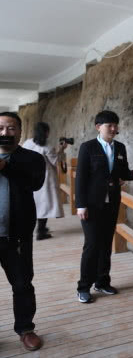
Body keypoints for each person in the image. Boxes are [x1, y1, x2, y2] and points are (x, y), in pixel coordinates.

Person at [75, 110, 133, 303]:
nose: (114, 129)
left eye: (115, 125)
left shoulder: (120, 147)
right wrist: (81, 205)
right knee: (92, 245)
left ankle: (102, 281)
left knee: (106, 244)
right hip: (91, 205)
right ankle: (83, 287)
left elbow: (121, 172)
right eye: (109, 125)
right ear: (98, 127)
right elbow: (81, 178)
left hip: (112, 203)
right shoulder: (87, 147)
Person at [0, 112, 46, 351]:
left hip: (16, 234)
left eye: (11, 128)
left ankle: (26, 329)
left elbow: (35, 183)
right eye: (0, 128)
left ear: (20, 131)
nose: (5, 133)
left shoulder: (32, 158)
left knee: (22, 283)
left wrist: (6, 166)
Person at [22, 122, 67, 240]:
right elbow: (55, 161)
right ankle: (41, 231)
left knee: (36, 204)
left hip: (30, 176)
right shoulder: (47, 146)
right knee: (45, 205)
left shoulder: (27, 143)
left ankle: (40, 228)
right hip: (46, 178)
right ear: (46, 132)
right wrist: (62, 150)